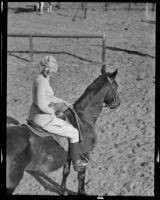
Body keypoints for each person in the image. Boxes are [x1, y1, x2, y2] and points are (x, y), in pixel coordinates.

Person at [28, 55, 88, 171]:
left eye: (52, 68)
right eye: (47, 67)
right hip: (42, 117)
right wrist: (52, 112)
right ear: (43, 66)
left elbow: (49, 96)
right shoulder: (41, 81)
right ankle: (76, 162)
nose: (50, 71)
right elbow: (41, 105)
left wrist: (63, 101)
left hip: (39, 114)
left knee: (66, 122)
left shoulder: (43, 78)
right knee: (74, 132)